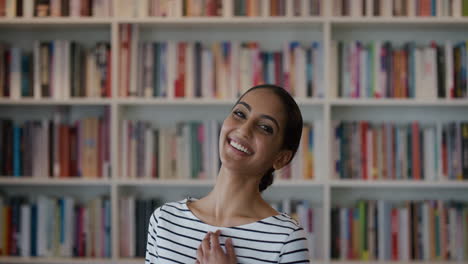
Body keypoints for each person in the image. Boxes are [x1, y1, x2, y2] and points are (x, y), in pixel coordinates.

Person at [145, 84, 310, 264]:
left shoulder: (286, 238)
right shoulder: (164, 220)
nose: (244, 130)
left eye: (265, 127)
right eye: (240, 114)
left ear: (281, 158)